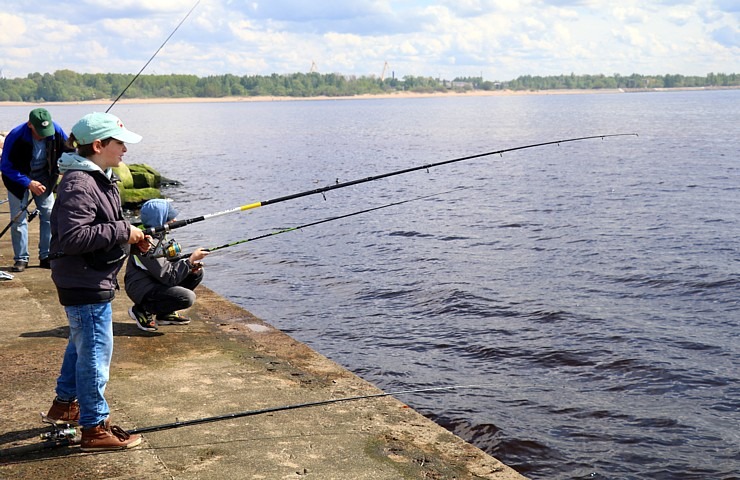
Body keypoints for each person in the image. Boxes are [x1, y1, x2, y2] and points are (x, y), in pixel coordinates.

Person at [45, 112, 145, 451]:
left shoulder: (97, 177)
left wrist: (130, 237)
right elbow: (73, 237)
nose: (125, 151)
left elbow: (101, 226)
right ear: (99, 145)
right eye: (120, 144)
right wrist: (122, 231)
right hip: (84, 282)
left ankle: (65, 404)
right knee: (95, 353)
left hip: (88, 278)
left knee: (80, 345)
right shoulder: (79, 182)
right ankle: (94, 427)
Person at [0, 108, 70, 271]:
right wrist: (28, 182)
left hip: (45, 178)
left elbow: (70, 151)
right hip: (17, 180)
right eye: (40, 131)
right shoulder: (16, 135)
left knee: (49, 215)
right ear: (30, 124)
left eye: (46, 131)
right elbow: (5, 166)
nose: (44, 135)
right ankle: (21, 258)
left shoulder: (56, 130)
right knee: (18, 219)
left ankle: (46, 256)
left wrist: (64, 166)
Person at [125, 199, 208, 332]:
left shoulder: (160, 236)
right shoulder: (146, 243)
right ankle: (141, 309)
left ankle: (165, 314)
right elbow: (168, 277)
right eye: (169, 217)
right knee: (187, 297)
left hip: (156, 281)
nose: (174, 220)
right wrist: (190, 260)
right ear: (159, 220)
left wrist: (190, 267)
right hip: (142, 289)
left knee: (196, 273)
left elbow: (169, 267)